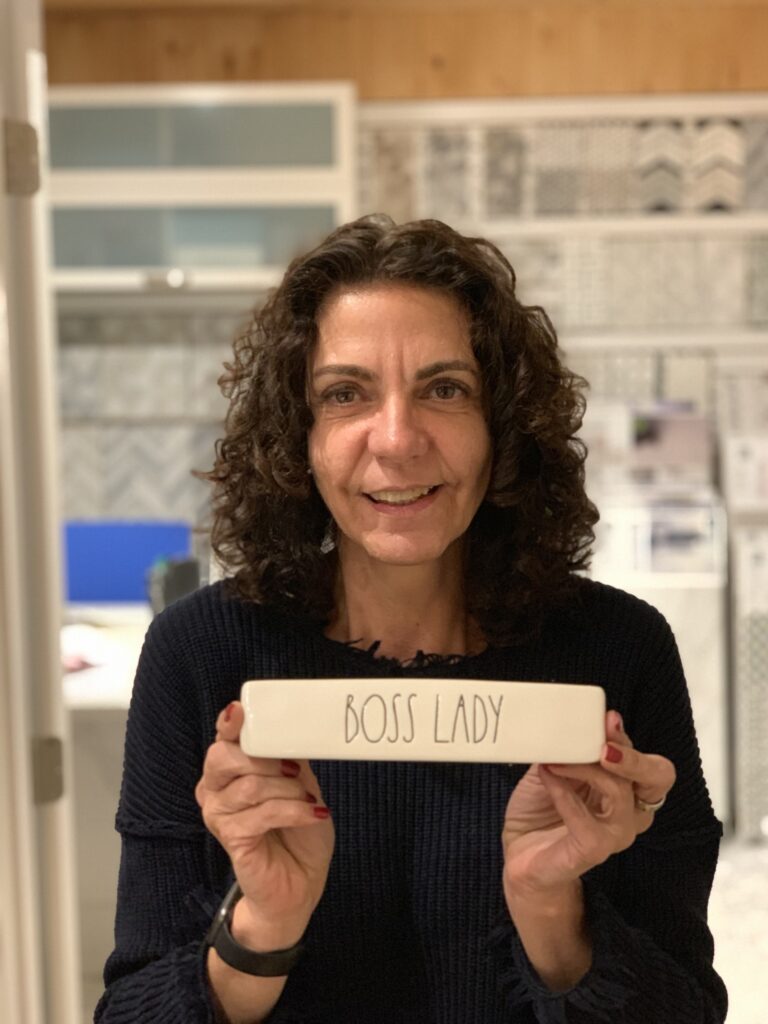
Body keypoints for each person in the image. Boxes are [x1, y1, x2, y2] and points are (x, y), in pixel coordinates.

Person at [96, 215, 727, 1024]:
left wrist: (551, 914)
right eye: (345, 393)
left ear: (504, 426)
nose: (395, 441)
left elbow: (690, 1011)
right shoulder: (200, 656)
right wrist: (265, 923)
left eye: (445, 388)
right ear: (299, 435)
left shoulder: (620, 651)